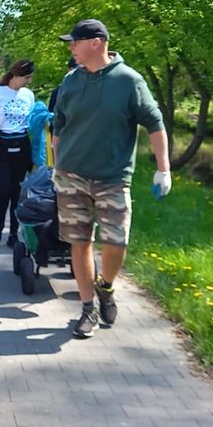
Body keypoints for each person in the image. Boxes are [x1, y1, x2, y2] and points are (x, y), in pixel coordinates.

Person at [52, 19, 172, 339]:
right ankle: (88, 308)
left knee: (116, 242)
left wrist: (164, 169)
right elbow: (59, 127)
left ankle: (106, 286)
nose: (70, 47)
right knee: (79, 243)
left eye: (74, 42)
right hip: (72, 175)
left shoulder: (128, 81)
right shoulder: (70, 82)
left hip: (113, 177)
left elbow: (155, 123)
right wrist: (56, 166)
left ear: (95, 43)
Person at [0, 59, 36, 250]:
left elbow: (33, 124)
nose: (29, 80)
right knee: (5, 190)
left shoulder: (28, 95)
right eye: (27, 77)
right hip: (2, 145)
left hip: (21, 144)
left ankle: (13, 232)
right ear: (16, 75)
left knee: (18, 192)